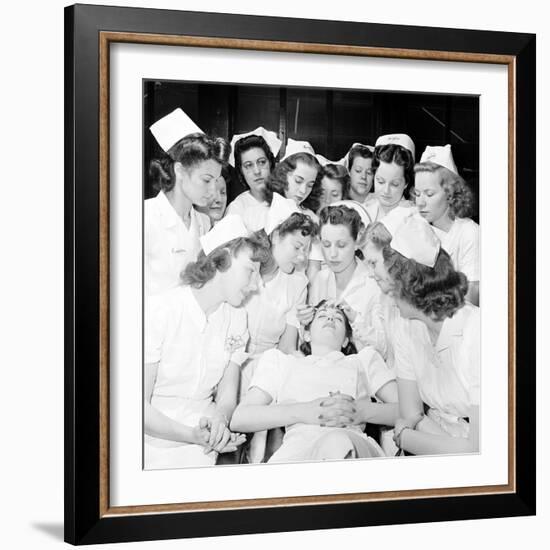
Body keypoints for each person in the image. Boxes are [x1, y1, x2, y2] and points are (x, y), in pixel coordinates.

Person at [144, 216, 270, 469]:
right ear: (222, 259)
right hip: (149, 438)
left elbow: (226, 394)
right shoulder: (160, 311)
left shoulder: (236, 318)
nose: (256, 285)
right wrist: (193, 435)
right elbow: (135, 408)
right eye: (250, 271)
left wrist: (219, 424)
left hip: (202, 438)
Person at [231, 301, 398, 463]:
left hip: (352, 444)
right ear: (306, 335)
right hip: (297, 451)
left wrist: (361, 412)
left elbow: (407, 411)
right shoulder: (281, 363)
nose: (330, 319)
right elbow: (241, 418)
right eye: (322, 315)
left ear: (347, 340)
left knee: (337, 443)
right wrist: (304, 411)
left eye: (338, 318)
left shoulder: (363, 360)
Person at [379, 213, 480, 455]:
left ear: (412, 287)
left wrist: (406, 437)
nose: (387, 294)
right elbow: (410, 412)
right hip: (435, 441)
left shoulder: (478, 333)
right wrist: (419, 429)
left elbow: (480, 450)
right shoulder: (406, 326)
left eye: (392, 285)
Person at [241, 194, 318, 462]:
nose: (302, 257)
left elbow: (287, 347)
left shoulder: (297, 284)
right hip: (228, 366)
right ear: (274, 237)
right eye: (297, 247)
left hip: (267, 371)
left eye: (307, 250)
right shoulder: (245, 268)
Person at [145, 108, 230, 295]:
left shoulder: (204, 222)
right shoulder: (146, 217)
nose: (213, 192)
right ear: (180, 171)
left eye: (216, 182)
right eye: (206, 180)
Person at [304, 204, 383, 353]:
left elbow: (385, 348)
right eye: (326, 245)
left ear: (357, 240)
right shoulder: (321, 279)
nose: (332, 254)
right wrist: (305, 323)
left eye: (341, 245)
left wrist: (355, 320)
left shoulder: (374, 284)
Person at [413, 144, 479, 305]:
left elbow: (471, 298)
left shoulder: (469, 233)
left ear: (451, 193)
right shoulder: (416, 227)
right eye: (417, 193)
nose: (420, 202)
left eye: (429, 194)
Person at [225, 129, 280, 230]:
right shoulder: (237, 209)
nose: (257, 171)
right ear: (241, 171)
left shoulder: (284, 199)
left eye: (262, 162)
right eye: (248, 165)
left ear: (270, 163)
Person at [365, 133, 416, 223]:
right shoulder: (364, 209)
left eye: (395, 184)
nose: (386, 191)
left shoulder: (413, 218)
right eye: (380, 181)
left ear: (406, 183)